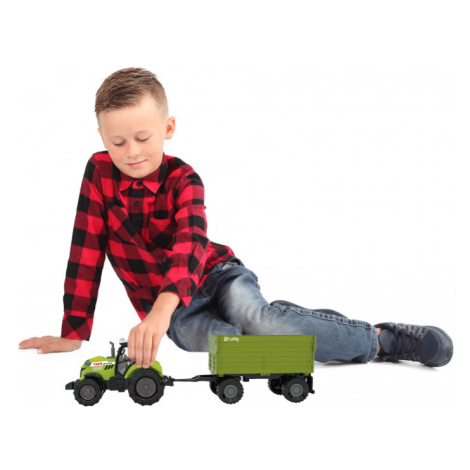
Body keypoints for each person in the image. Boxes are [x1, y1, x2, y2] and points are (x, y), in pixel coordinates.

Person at [19, 67, 453, 369]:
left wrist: (160, 310)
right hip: (176, 313)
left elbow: (189, 245)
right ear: (101, 137)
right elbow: (86, 249)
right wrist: (74, 330)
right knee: (230, 349)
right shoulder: (98, 173)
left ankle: (379, 340)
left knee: (261, 321)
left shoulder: (185, 179)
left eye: (143, 137)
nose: (131, 152)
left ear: (168, 129)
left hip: (215, 276)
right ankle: (307, 326)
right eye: (117, 142)